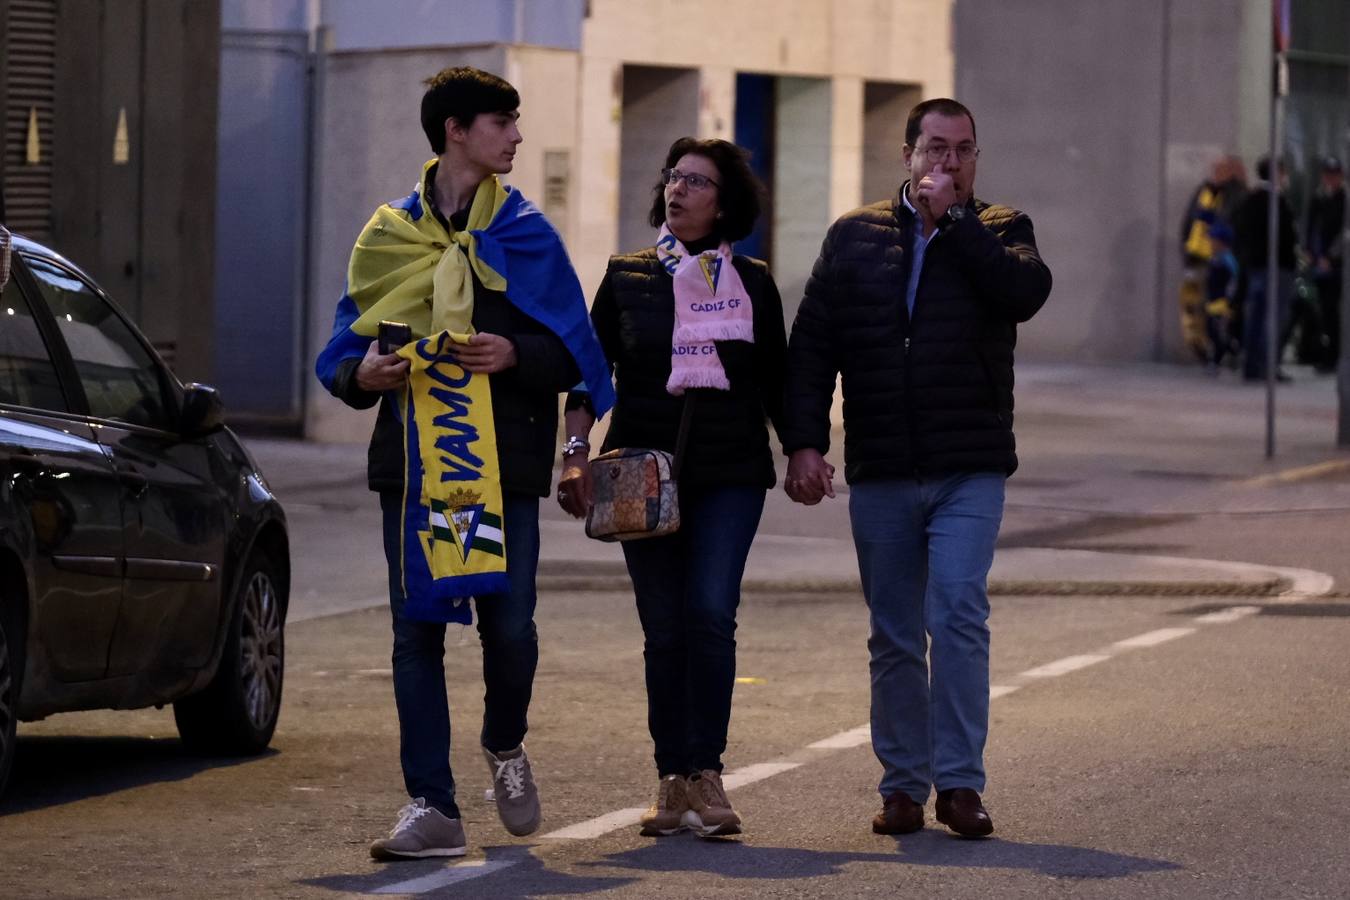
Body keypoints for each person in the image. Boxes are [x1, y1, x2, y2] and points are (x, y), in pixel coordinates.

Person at [314, 66, 613, 860]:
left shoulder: (525, 237)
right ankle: (432, 806)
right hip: (415, 472)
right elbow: (342, 350)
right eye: (502, 122)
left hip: (502, 466)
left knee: (509, 628)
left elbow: (578, 356)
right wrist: (361, 376)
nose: (516, 136)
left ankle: (505, 746)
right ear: (455, 130)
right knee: (417, 633)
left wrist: (517, 351)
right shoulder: (390, 234)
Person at [782, 98, 1051, 838]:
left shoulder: (1000, 229)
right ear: (908, 156)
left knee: (957, 612)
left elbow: (1024, 293)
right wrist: (804, 442)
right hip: (883, 465)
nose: (950, 163)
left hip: (969, 465)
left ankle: (960, 784)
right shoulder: (854, 237)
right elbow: (812, 346)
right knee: (895, 631)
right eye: (936, 148)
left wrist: (957, 224)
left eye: (964, 150)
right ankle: (902, 785)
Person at [556, 137, 786, 838]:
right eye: (674, 177)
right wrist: (573, 453)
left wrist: (809, 450)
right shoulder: (627, 275)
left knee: (710, 614)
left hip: (731, 473)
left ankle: (706, 772)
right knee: (663, 631)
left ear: (725, 202)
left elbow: (778, 379)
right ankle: (671, 776)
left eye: (697, 181)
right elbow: (587, 374)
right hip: (640, 475)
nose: (679, 189)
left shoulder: (752, 280)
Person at [1233, 155, 1300, 382]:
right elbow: (1286, 237)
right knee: (1274, 318)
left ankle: (1251, 365)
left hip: (1255, 267)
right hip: (1277, 268)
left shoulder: (1250, 199)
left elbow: (1240, 231)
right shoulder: (1275, 202)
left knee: (1255, 316)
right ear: (1277, 173)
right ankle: (1267, 366)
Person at [1179, 156, 1248, 361]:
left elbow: (1230, 224)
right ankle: (1202, 347)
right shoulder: (1205, 191)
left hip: (1221, 260)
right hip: (1196, 257)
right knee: (1193, 306)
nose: (1215, 173)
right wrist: (1186, 248)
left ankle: (1224, 349)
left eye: (1220, 169)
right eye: (1214, 169)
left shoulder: (1236, 194)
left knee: (1220, 308)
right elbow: (1190, 221)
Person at [1307, 156, 1345, 371]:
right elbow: (1311, 228)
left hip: (1334, 266)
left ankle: (1334, 355)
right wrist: (1310, 253)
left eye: (1334, 175)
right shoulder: (1318, 200)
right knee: (1321, 311)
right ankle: (1321, 352)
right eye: (1327, 175)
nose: (1330, 179)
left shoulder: (1343, 201)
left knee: (1333, 312)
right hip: (1318, 265)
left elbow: (1343, 234)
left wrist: (1330, 258)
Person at [1202, 222, 1240, 370]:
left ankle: (1219, 359)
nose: (1210, 243)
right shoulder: (1215, 259)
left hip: (1223, 303)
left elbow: (1234, 279)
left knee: (1218, 332)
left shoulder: (1227, 260)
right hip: (1213, 301)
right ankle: (1230, 352)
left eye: (1213, 240)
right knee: (1212, 331)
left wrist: (1231, 301)